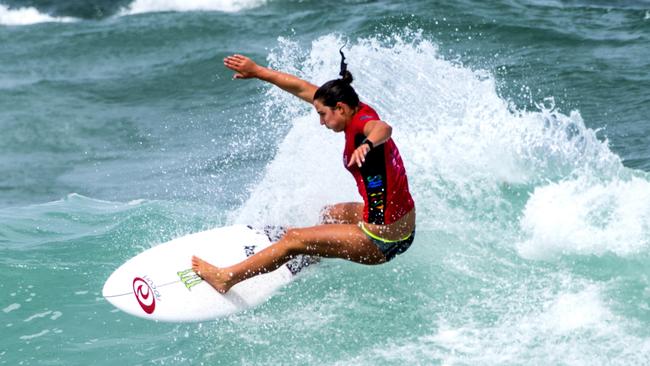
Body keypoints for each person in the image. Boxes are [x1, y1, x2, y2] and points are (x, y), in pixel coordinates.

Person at [192, 49, 416, 294]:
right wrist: (258, 72)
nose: (320, 121)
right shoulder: (358, 108)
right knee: (329, 213)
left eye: (322, 114)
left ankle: (226, 278)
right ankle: (312, 253)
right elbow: (302, 88)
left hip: (381, 241)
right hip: (401, 226)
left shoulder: (364, 127)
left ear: (340, 108)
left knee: (293, 238)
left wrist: (367, 144)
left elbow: (384, 128)